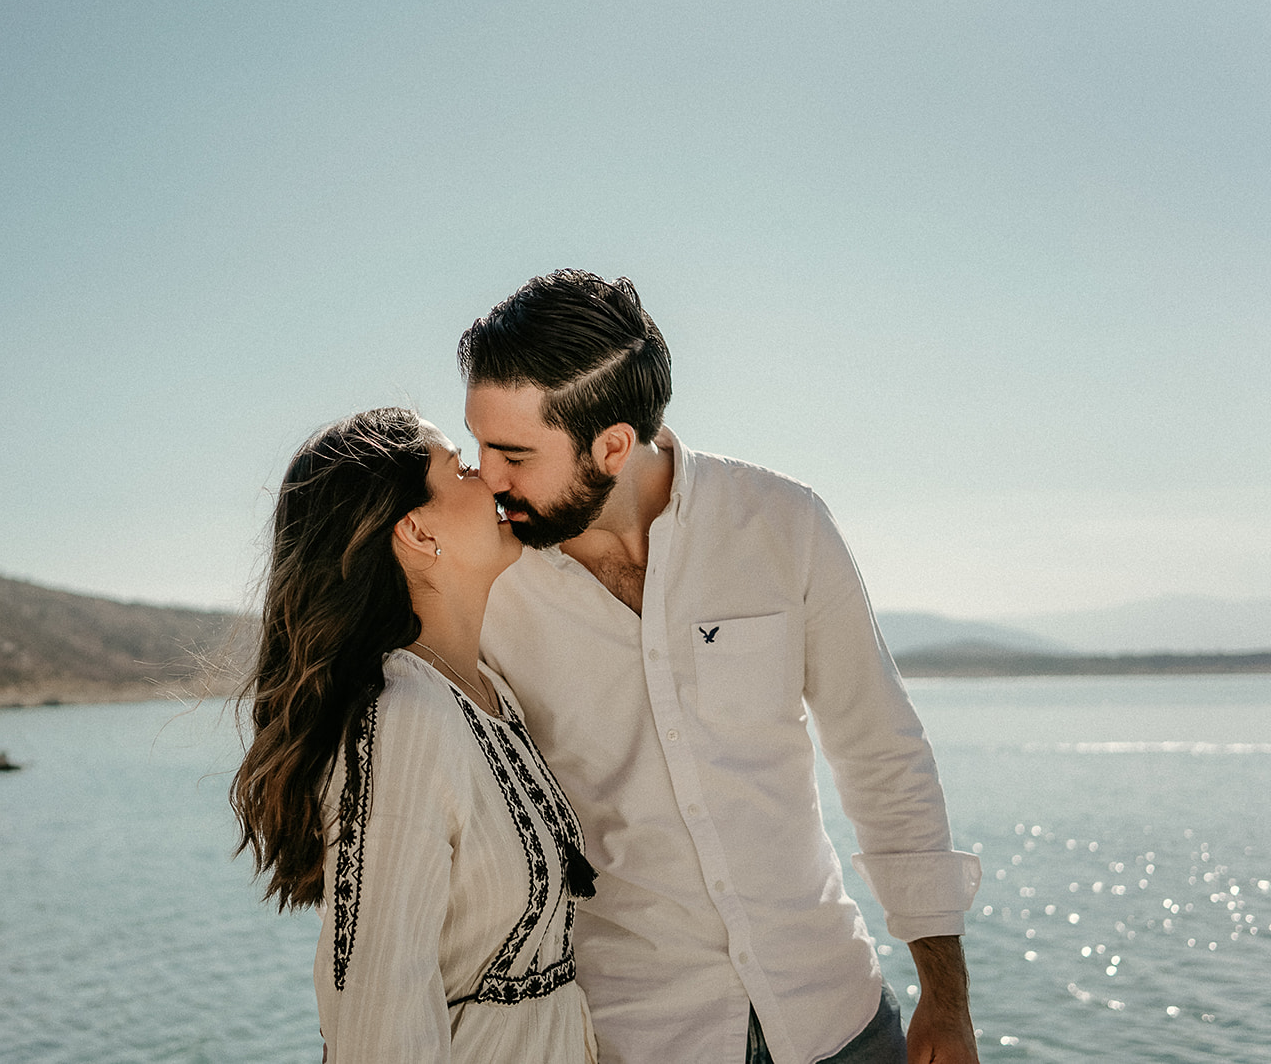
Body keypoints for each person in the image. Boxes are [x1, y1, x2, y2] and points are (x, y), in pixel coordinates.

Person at [458, 271, 983, 1064]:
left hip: (837, 1020)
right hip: (637, 1039)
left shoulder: (782, 524)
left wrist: (946, 999)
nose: (488, 478)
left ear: (611, 446)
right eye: (480, 446)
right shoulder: (487, 590)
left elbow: (883, 755)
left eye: (514, 454)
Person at [230, 407, 599, 1063]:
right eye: (460, 468)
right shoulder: (404, 721)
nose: (490, 474)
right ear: (416, 529)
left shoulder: (491, 696)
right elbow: (378, 1021)